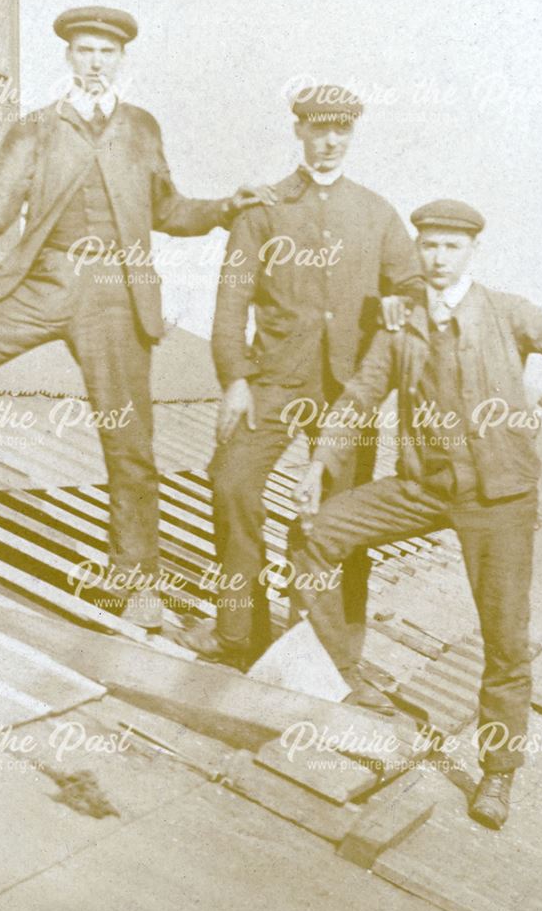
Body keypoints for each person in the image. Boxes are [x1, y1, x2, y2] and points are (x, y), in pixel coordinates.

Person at [0, 6, 272, 629]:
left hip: (117, 298)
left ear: (122, 59)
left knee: (129, 441)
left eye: (107, 52)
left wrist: (226, 207)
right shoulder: (36, 129)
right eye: (85, 50)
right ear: (68, 56)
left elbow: (168, 210)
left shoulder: (143, 128)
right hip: (42, 282)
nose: (95, 62)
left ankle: (137, 582)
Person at [289, 198, 542, 828]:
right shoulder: (401, 324)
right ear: (418, 250)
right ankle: (349, 677)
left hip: (499, 497)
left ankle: (498, 776)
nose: (438, 257)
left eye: (451, 246)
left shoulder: (505, 311)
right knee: (315, 532)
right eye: (429, 245)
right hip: (423, 486)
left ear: (471, 250)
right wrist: (317, 467)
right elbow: (363, 393)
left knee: (504, 639)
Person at [176, 85, 424, 689]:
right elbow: (230, 301)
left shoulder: (376, 212)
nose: (330, 141)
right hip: (272, 380)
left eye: (340, 131)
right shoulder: (262, 210)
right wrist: (234, 380)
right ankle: (238, 631)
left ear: (351, 135)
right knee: (231, 482)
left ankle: (326, 651)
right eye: (318, 130)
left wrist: (401, 299)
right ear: (299, 132)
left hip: (348, 392)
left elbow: (414, 283)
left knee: (341, 519)